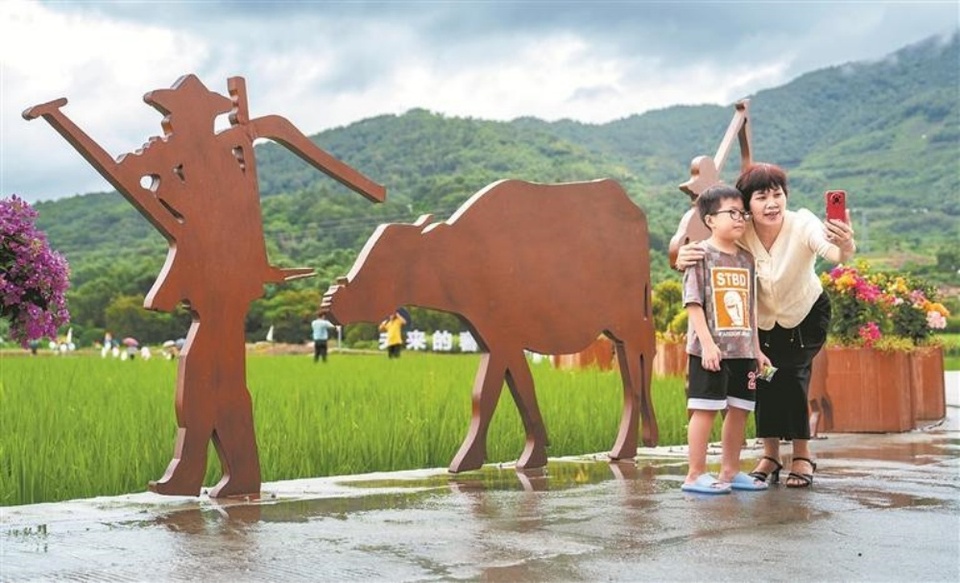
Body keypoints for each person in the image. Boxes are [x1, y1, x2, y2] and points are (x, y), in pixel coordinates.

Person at [676, 163, 856, 488]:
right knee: (765, 380)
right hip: (760, 325)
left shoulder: (802, 223)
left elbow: (833, 252)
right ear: (746, 205)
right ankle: (770, 454)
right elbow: (709, 245)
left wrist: (845, 244)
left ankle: (801, 454)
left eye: (778, 194)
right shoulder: (738, 229)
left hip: (804, 318)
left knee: (792, 375)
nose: (772, 203)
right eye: (762, 197)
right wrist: (684, 255)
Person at [680, 184, 770, 494]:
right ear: (710, 220)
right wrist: (706, 343)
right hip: (710, 350)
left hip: (742, 350)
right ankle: (695, 474)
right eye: (731, 213)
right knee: (705, 409)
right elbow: (693, 303)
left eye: (742, 213)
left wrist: (757, 350)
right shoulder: (699, 255)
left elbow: (750, 309)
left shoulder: (747, 259)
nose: (739, 218)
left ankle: (730, 471)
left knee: (740, 409)